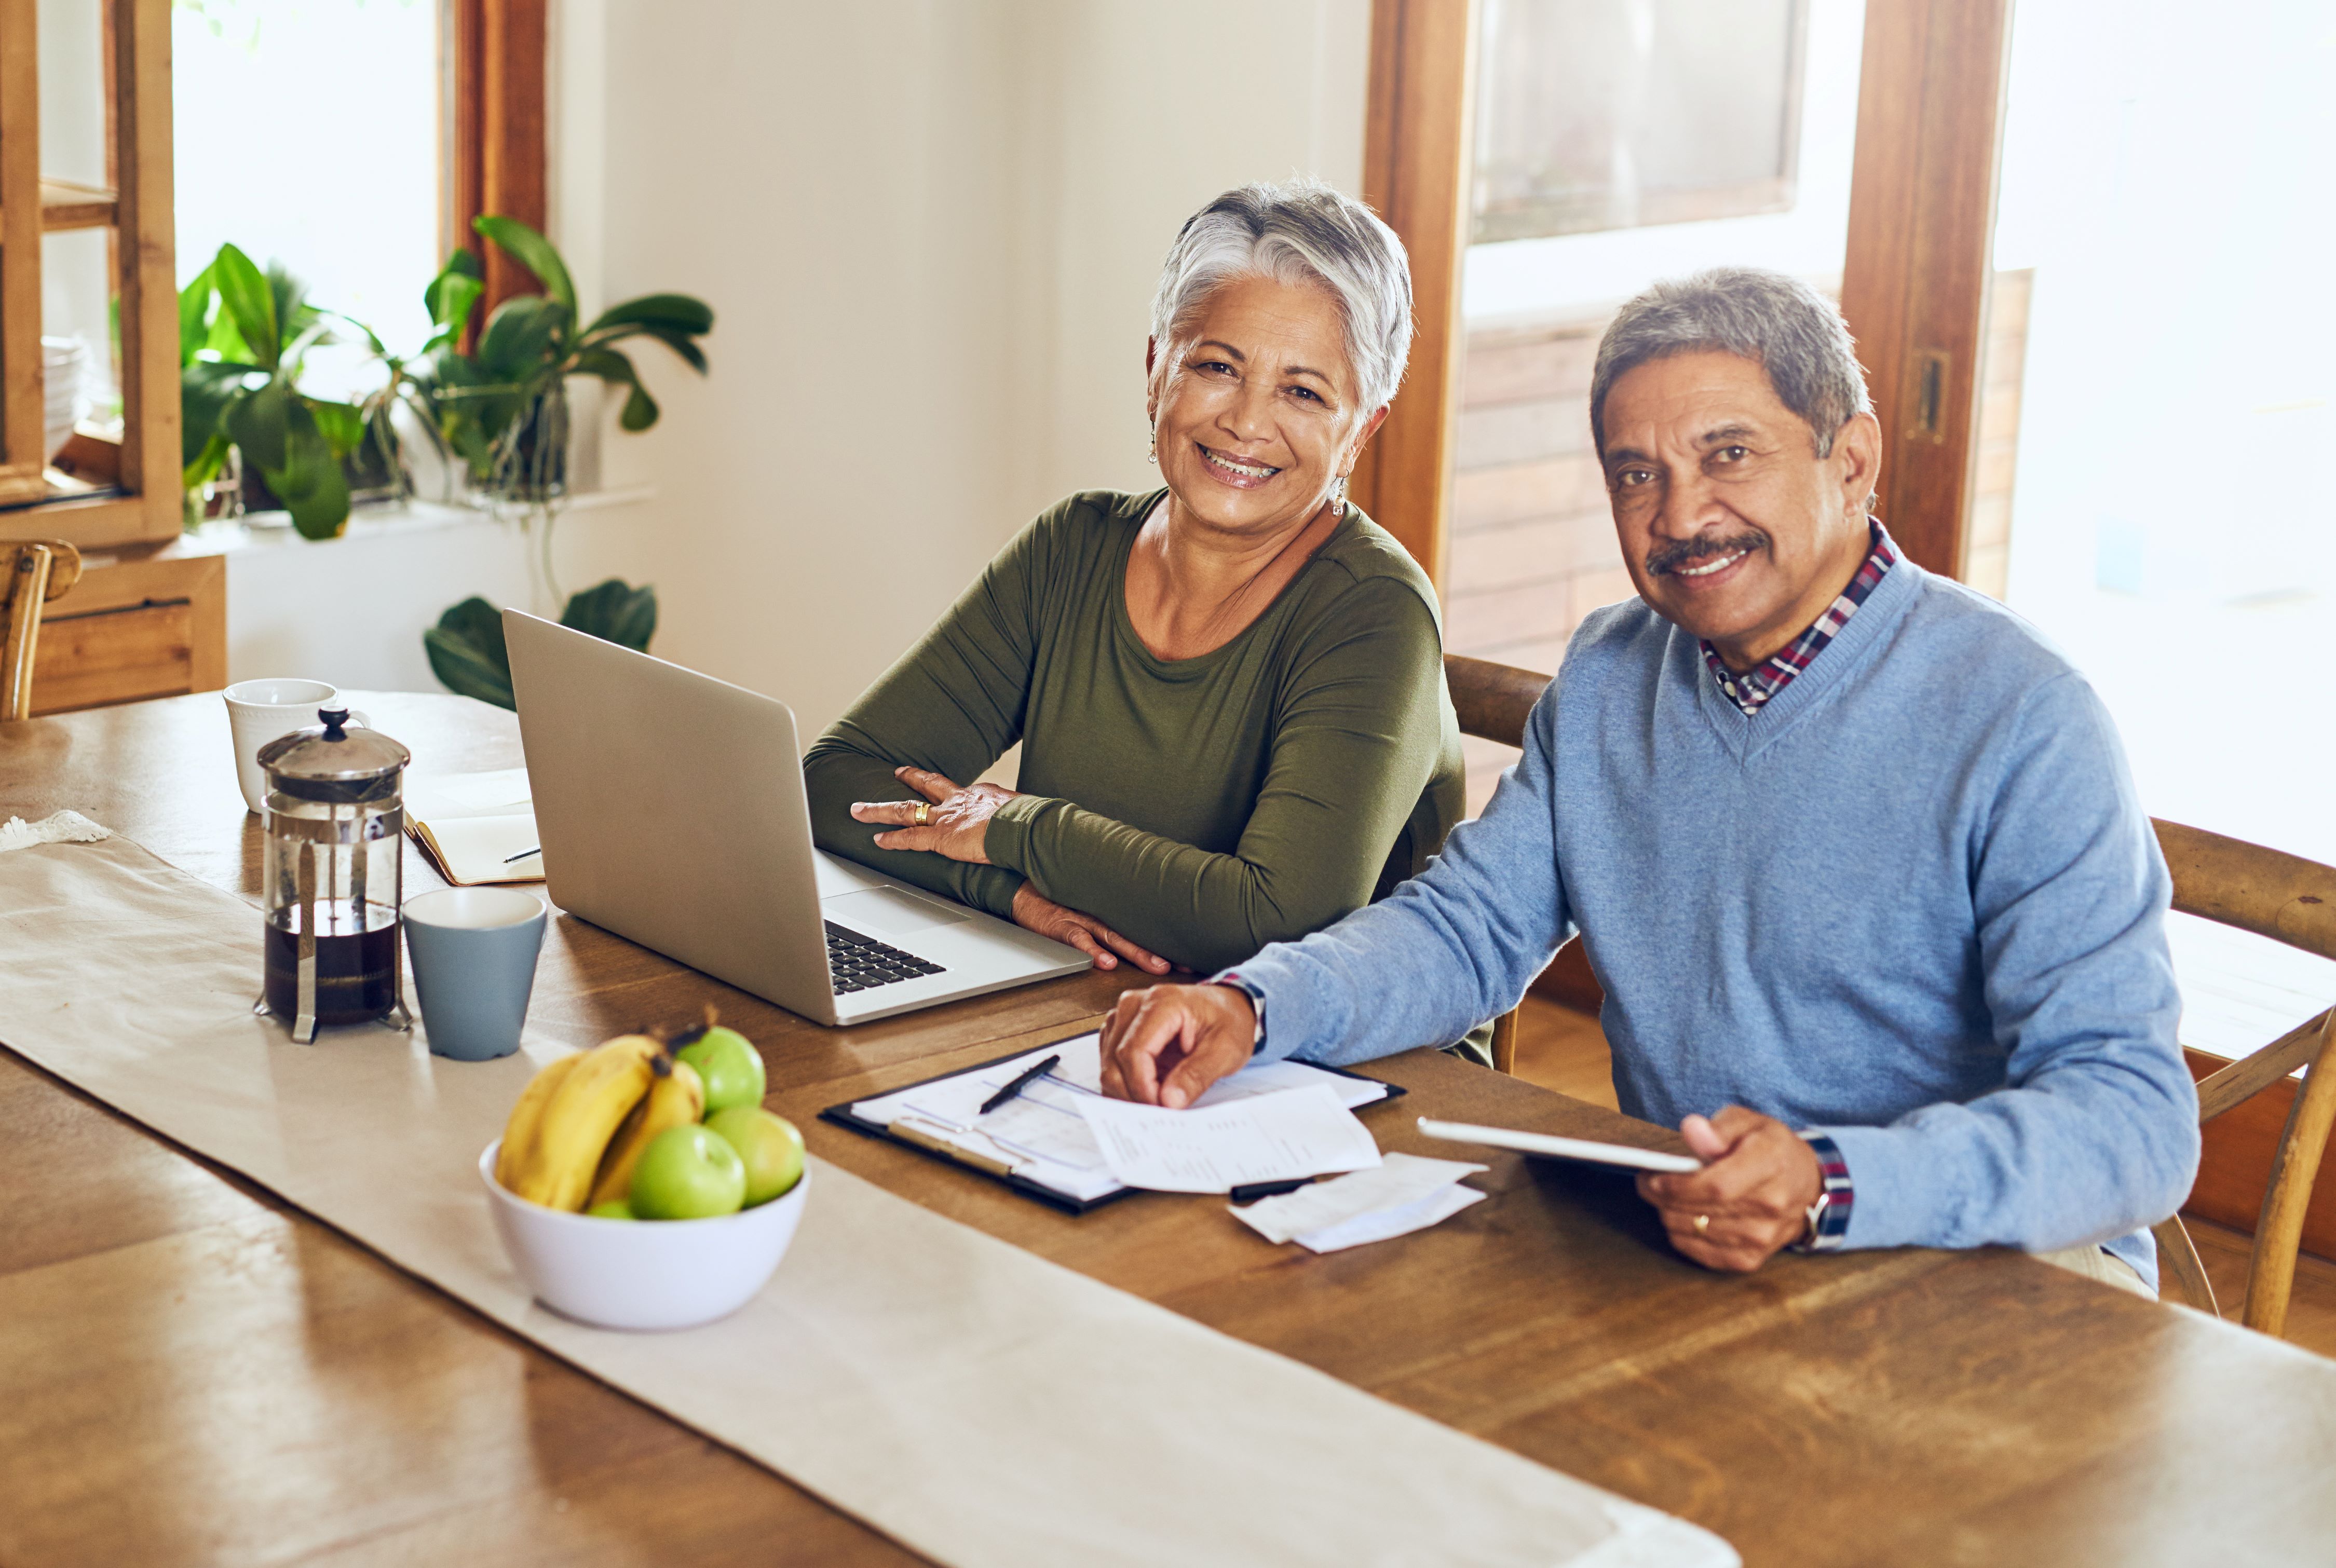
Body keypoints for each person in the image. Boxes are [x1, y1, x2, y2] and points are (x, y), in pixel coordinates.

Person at [1095, 267, 2200, 1294]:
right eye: (1638, 473)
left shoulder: (2023, 712)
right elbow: (1467, 928)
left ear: (1850, 458)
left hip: (1993, 1280)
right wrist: (1254, 1001)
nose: (1678, 514)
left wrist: (1830, 1180)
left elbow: (2136, 1123)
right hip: (1700, 1248)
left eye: (1730, 454)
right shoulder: (1616, 667)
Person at [804, 181, 1467, 992]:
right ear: (1157, 370)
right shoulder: (1071, 549)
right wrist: (1007, 890)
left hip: (1335, 1063)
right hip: (1092, 1004)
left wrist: (1017, 826)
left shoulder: (1376, 616)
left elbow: (1274, 921)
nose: (1247, 422)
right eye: (1218, 366)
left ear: (1361, 428)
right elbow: (837, 779)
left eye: (1303, 391)